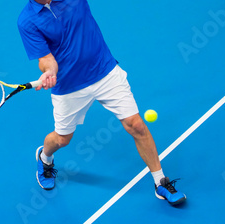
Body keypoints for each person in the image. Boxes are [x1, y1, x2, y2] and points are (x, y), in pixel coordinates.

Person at [17, 0, 186, 205]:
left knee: (136, 125)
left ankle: (160, 182)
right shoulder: (27, 21)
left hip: (104, 70)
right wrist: (50, 71)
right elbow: (45, 58)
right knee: (62, 139)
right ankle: (44, 157)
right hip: (69, 85)